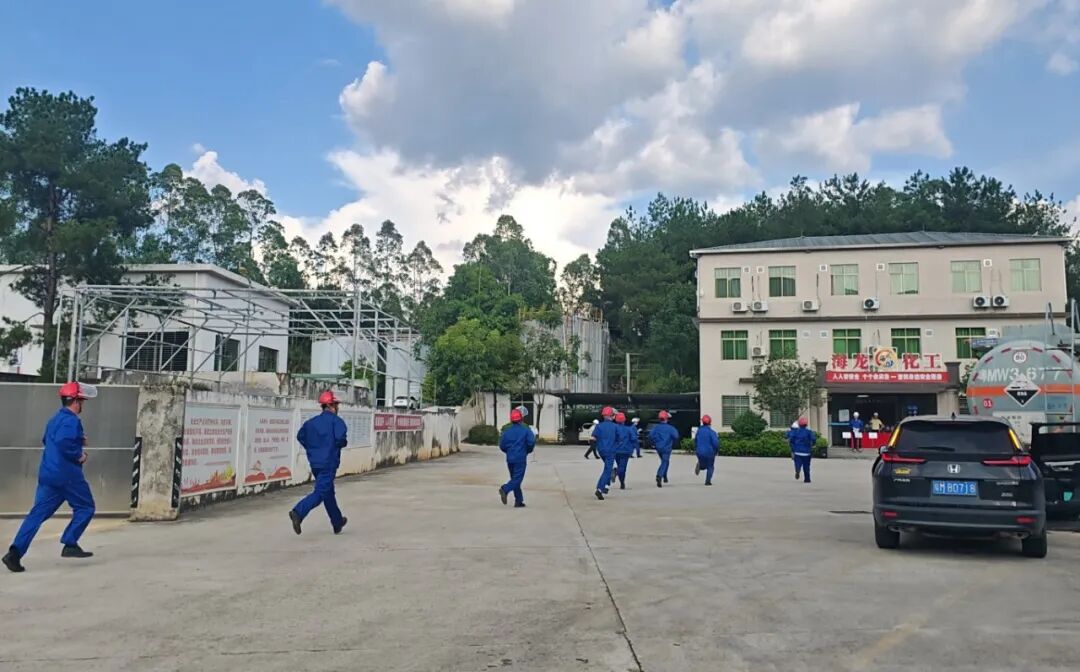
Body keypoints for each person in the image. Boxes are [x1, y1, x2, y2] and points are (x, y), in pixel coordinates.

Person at [3, 382, 98, 573]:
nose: (82, 405)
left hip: (48, 473)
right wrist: (79, 455)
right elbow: (63, 442)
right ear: (76, 402)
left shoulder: (54, 419)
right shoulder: (72, 420)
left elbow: (49, 439)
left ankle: (14, 553)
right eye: (81, 401)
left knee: (37, 514)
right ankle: (70, 542)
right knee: (86, 507)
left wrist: (79, 440)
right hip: (67, 474)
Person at [289, 390, 348, 536]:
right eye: (336, 405)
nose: (337, 408)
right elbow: (341, 439)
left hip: (315, 463)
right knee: (321, 492)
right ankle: (298, 512)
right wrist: (338, 445)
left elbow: (301, 436)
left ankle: (337, 522)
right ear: (331, 405)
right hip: (329, 463)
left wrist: (313, 449)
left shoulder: (311, 423)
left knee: (328, 492)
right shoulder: (337, 422)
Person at [498, 408, 535, 508]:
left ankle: (518, 501)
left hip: (510, 459)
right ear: (521, 419)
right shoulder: (526, 430)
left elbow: (502, 445)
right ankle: (505, 489)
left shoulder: (506, 432)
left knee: (514, 479)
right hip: (520, 458)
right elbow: (531, 442)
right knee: (517, 479)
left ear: (511, 420)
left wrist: (509, 452)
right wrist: (527, 451)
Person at [592, 407, 619, 500]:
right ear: (612, 416)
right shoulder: (615, 426)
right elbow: (619, 439)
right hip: (610, 451)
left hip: (601, 450)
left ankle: (607, 485)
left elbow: (593, 438)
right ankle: (600, 488)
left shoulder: (598, 426)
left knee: (609, 468)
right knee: (607, 470)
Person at [649, 411, 680, 488]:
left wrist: (655, 442)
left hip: (658, 448)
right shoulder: (670, 428)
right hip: (667, 448)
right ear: (667, 419)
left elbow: (650, 436)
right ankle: (659, 475)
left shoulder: (656, 428)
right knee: (665, 462)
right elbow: (676, 436)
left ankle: (664, 476)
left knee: (664, 462)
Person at [787, 417, 817, 484]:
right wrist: (813, 445)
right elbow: (813, 439)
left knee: (797, 463)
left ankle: (797, 470)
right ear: (806, 425)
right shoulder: (809, 432)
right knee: (806, 466)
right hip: (807, 452)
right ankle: (807, 479)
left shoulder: (796, 432)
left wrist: (793, 448)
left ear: (799, 425)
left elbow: (791, 439)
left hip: (797, 451)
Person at [694, 415, 720, 486]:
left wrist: (696, 449)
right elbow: (715, 443)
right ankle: (708, 481)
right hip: (709, 452)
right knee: (710, 466)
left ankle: (700, 465)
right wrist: (717, 450)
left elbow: (695, 441)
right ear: (710, 422)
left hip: (699, 451)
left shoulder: (699, 431)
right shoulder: (712, 432)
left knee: (703, 464)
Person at [613, 412, 634, 489]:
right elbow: (634, 439)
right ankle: (621, 481)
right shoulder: (629, 429)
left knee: (620, 466)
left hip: (615, 450)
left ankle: (619, 475)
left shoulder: (613, 429)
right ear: (624, 420)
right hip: (625, 451)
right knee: (622, 467)